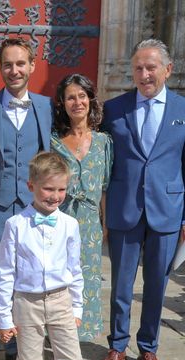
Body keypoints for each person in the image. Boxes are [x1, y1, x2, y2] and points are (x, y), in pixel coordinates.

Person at [99, 39, 185, 360]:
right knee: (121, 285)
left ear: (167, 70)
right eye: (138, 68)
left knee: (157, 285)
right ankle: (116, 347)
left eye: (151, 67)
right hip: (124, 208)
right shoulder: (114, 109)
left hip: (167, 212)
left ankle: (148, 349)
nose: (144, 75)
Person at [0, 152, 98, 360]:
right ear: (31, 186)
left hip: (60, 300)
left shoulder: (69, 224)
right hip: (26, 302)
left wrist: (77, 307)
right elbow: (5, 272)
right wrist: (3, 316)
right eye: (48, 189)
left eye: (61, 189)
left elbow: (76, 268)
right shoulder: (15, 224)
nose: (55, 196)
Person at [0, 37, 52, 360]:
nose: (14, 70)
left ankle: (21, 344)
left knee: (28, 278)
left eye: (21, 63)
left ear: (32, 65)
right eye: (8, 64)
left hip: (33, 208)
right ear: (0, 68)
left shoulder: (46, 106)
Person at [51, 73, 113, 341]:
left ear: (90, 99)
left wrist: (106, 222)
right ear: (63, 104)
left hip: (89, 222)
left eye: (82, 96)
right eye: (70, 97)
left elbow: (105, 188)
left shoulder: (103, 142)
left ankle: (80, 336)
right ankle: (56, 334)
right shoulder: (54, 142)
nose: (77, 102)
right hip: (58, 219)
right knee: (57, 279)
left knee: (87, 279)